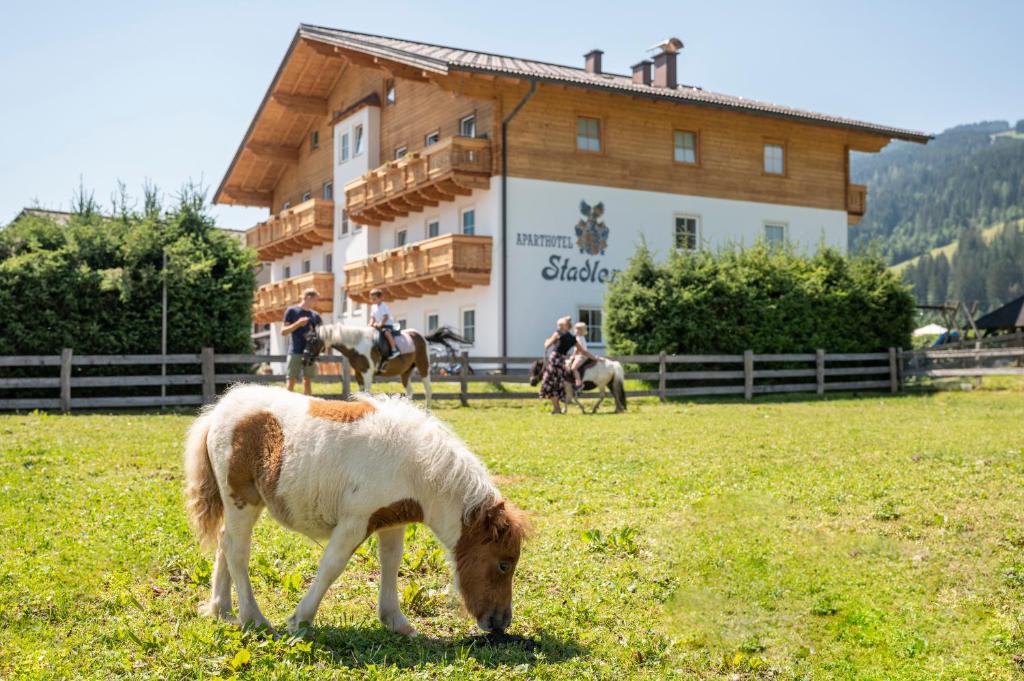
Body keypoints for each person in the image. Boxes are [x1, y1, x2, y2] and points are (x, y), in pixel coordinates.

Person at [281, 287, 323, 396]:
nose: (316, 302)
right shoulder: (292, 311)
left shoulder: (316, 315)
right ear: (308, 297)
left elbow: (320, 335)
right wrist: (298, 324)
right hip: (295, 351)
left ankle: (306, 408)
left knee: (307, 381)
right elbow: (283, 332)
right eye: (315, 299)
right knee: (291, 381)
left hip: (310, 353)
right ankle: (285, 406)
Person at [539, 316, 577, 414]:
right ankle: (557, 408)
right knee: (557, 384)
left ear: (566, 325)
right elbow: (581, 350)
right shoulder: (572, 338)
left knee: (549, 383)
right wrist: (594, 358)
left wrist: (546, 341)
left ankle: (557, 409)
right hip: (562, 361)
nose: (558, 327)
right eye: (558, 325)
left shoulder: (557, 333)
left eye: (560, 325)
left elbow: (547, 345)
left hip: (554, 360)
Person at [368, 289, 401, 365]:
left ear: (380, 298)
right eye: (372, 299)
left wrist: (380, 324)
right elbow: (372, 317)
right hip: (378, 325)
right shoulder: (373, 307)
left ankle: (394, 349)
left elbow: (385, 317)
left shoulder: (383, 306)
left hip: (386, 324)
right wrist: (370, 324)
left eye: (375, 299)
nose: (373, 300)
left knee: (386, 333)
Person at [568, 321, 601, 390]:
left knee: (574, 368)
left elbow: (577, 349)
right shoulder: (579, 337)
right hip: (579, 355)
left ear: (580, 330)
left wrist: (573, 356)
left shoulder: (579, 338)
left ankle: (579, 383)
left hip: (581, 356)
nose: (575, 330)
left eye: (576, 329)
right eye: (575, 329)